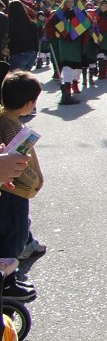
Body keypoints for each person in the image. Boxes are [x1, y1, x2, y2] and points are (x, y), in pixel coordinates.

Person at [0, 72, 43, 304]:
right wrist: (34, 179)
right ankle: (7, 282)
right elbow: (19, 162)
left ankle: (9, 276)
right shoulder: (12, 127)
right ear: (28, 104)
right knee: (13, 237)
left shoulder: (5, 118)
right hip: (13, 191)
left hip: (7, 188)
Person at [45, 0, 92, 106]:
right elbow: (50, 23)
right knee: (67, 65)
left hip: (77, 43)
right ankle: (66, 93)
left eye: (71, 1)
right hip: (64, 43)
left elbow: (87, 26)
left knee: (77, 67)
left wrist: (85, 44)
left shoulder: (81, 14)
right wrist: (51, 34)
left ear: (76, 2)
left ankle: (74, 83)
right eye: (67, 1)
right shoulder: (60, 13)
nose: (69, 3)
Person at [4, 1, 38, 73]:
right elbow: (36, 39)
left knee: (15, 79)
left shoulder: (11, 24)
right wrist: (36, 52)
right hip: (31, 53)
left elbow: (8, 38)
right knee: (25, 78)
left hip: (17, 53)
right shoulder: (31, 23)